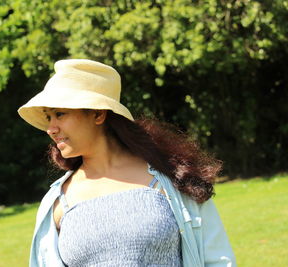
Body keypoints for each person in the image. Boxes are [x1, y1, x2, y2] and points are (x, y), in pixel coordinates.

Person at [18, 59, 236, 267]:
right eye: (48, 118)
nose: (51, 128)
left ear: (98, 114)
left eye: (59, 114)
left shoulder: (172, 180)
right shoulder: (57, 202)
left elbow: (217, 259)